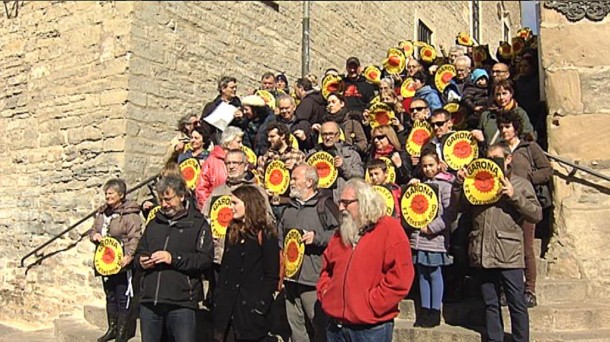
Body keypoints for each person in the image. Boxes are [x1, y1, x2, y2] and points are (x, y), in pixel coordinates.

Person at [453, 142, 542, 342]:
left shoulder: (520, 183)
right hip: (483, 251)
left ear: (508, 159)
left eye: (496, 158)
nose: (491, 162)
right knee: (490, 302)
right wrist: (460, 184)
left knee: (516, 303)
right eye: (489, 158)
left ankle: (521, 339)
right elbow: (461, 207)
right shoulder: (477, 181)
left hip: (508, 253)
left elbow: (536, 214)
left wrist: (514, 195)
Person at [317, 178, 414, 341]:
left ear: (364, 202)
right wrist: (326, 293)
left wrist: (373, 303)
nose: (341, 208)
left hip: (370, 328)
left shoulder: (389, 229)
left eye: (346, 203)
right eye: (340, 202)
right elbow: (326, 269)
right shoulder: (342, 231)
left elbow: (401, 277)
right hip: (336, 327)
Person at [136, 175, 213, 342]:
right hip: (151, 302)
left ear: (182, 196)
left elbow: (205, 260)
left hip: (182, 303)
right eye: (161, 200)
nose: (164, 204)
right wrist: (142, 261)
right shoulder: (154, 223)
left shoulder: (198, 223)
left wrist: (174, 258)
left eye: (169, 199)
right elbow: (139, 252)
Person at [497, 110, 552, 308]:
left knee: (527, 247)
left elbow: (547, 170)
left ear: (515, 127)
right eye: (502, 127)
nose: (504, 130)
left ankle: (529, 289)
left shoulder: (529, 147)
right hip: (505, 203)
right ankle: (506, 289)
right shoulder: (498, 149)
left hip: (525, 200)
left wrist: (529, 178)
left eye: (508, 127)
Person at [280, 164, 340, 342]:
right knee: (296, 328)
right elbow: (280, 240)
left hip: (313, 279)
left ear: (309, 182)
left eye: (295, 178)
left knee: (319, 327)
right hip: (291, 280)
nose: (291, 182)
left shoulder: (326, 206)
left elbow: (343, 234)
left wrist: (318, 238)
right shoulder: (288, 209)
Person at [213, 185, 280, 341]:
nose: (231, 207)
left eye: (235, 203)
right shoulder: (233, 231)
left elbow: (271, 274)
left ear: (248, 204)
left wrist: (260, 306)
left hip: (250, 313)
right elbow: (225, 270)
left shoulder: (266, 233)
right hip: (228, 312)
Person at [89, 179, 142, 342]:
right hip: (105, 261)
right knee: (109, 294)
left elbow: (135, 237)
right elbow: (93, 230)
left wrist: (129, 255)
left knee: (122, 296)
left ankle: (122, 333)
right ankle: (111, 328)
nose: (108, 196)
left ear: (121, 194)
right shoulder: (102, 213)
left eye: (111, 193)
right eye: (106, 193)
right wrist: (94, 236)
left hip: (121, 262)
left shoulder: (130, 215)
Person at [407, 149, 455, 328]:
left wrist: (432, 228)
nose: (427, 169)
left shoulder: (445, 186)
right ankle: (425, 309)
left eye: (431, 165)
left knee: (434, 273)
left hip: (436, 239)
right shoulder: (420, 184)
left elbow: (449, 213)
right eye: (424, 166)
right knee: (422, 274)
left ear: (438, 165)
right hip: (419, 238)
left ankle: (435, 310)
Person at [308, 121, 364, 201]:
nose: (327, 137)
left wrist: (343, 166)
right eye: (324, 134)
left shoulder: (351, 154)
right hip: (318, 200)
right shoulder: (312, 154)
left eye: (331, 134)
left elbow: (359, 177)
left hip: (342, 200)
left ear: (338, 135)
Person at [473, 79, 535, 148]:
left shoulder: (519, 113)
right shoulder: (486, 116)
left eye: (504, 93)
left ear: (511, 94)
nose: (501, 98)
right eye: (498, 94)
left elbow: (528, 135)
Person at [194, 126, 244, 210]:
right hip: (217, 211)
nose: (241, 145)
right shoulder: (211, 162)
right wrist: (209, 209)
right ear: (229, 142)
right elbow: (201, 188)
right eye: (238, 142)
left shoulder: (243, 159)